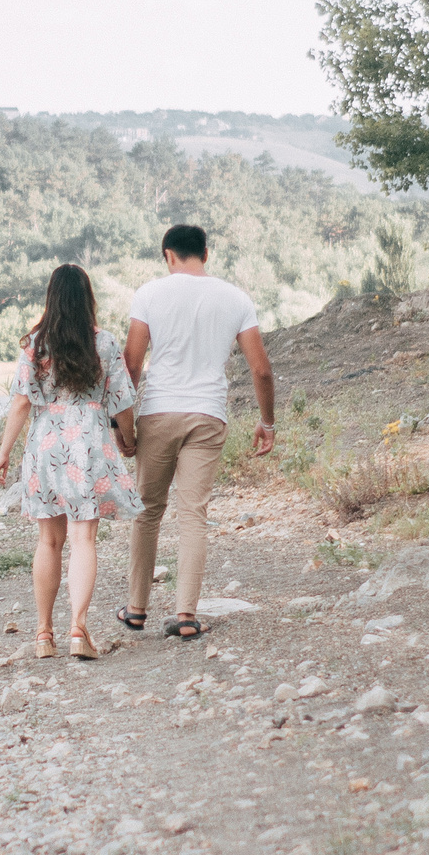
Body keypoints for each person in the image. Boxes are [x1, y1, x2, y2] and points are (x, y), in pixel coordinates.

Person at [120, 223, 274, 640]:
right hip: (208, 415)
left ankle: (136, 609)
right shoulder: (236, 298)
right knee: (193, 515)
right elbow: (260, 369)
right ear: (206, 254)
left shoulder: (149, 294)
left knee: (147, 510)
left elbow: (131, 366)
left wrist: (122, 423)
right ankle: (186, 615)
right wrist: (267, 422)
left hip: (158, 413)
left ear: (168, 255)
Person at [0, 263, 142, 659]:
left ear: (51, 299)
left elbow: (21, 402)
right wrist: (128, 438)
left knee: (48, 540)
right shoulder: (104, 343)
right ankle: (78, 629)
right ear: (87, 298)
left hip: (45, 444)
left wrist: (4, 452)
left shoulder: (35, 345)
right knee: (83, 538)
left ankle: (43, 634)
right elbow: (122, 401)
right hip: (87, 442)